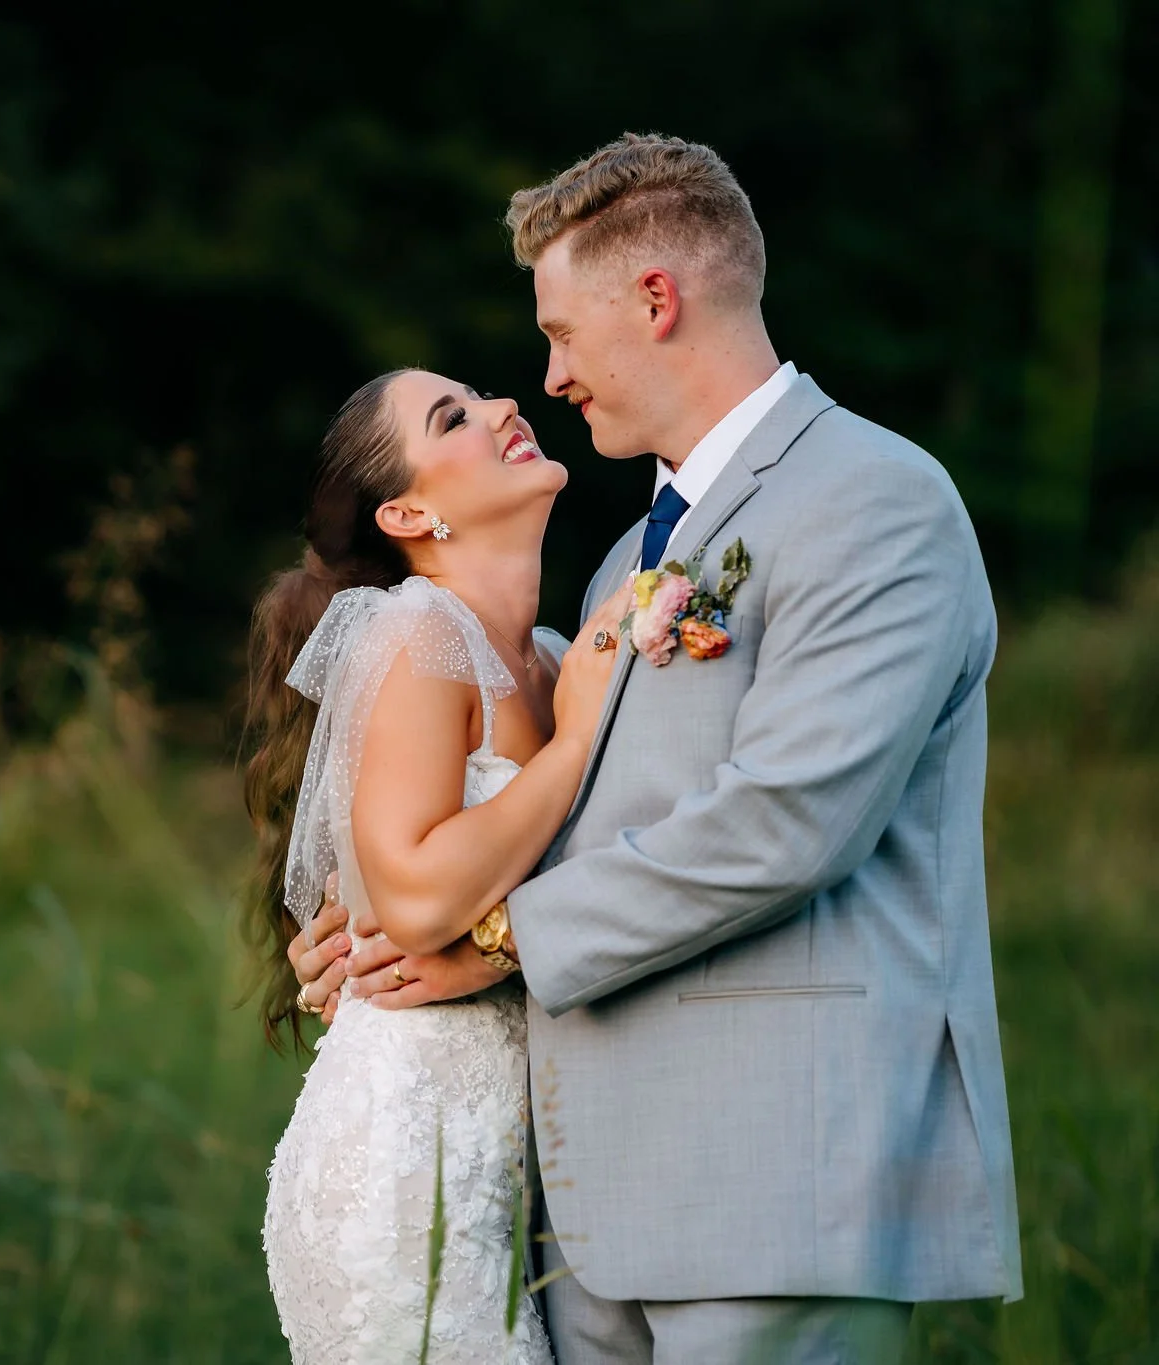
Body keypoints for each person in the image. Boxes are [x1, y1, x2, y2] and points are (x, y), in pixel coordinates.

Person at [287, 133, 1022, 1363]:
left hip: (776, 1179)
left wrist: (490, 940)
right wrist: (373, 922)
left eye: (560, 335)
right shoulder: (628, 561)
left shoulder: (874, 499)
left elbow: (785, 821)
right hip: (583, 1208)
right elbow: (580, 812)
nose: (548, 378)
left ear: (655, 299)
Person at [244, 368, 628, 1363]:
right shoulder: (421, 634)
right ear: (408, 513)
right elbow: (414, 900)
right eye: (452, 417)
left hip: (505, 1175)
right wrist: (573, 747)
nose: (504, 409)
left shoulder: (557, 658)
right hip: (398, 1176)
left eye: (483, 397)